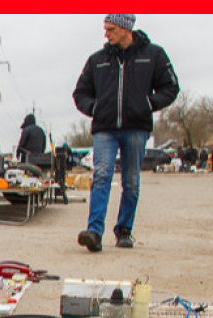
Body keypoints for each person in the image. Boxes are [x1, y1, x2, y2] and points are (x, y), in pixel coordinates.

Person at [73, 14, 179, 252]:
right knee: (101, 176)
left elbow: (171, 87)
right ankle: (94, 232)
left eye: (110, 29)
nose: (106, 34)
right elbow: (80, 93)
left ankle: (124, 231)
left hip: (136, 128)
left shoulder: (154, 55)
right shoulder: (96, 60)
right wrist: (95, 108)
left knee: (131, 181)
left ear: (125, 28)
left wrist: (148, 104)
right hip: (105, 129)